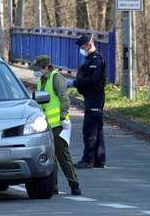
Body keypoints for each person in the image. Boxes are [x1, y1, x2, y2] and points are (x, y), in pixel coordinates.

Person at [29, 55, 81, 195]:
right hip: (45, 126)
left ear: (45, 67)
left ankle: (74, 184)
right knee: (51, 158)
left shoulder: (55, 77)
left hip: (58, 123)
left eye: (38, 68)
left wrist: (64, 115)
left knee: (62, 155)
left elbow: (64, 98)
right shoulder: (41, 81)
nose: (36, 71)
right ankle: (53, 186)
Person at [66, 35, 107, 169]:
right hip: (92, 96)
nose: (81, 50)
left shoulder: (96, 60)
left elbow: (94, 79)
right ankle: (99, 160)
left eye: (83, 47)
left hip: (95, 96)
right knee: (97, 128)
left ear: (89, 44)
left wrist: (75, 83)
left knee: (90, 128)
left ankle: (88, 160)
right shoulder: (91, 59)